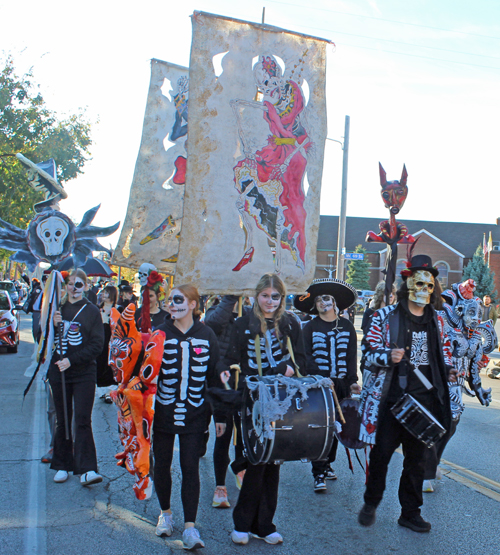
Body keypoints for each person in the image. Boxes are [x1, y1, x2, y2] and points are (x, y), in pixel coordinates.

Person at [358, 254, 454, 533]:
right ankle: (371, 502)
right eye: (418, 283)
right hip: (392, 401)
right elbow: (368, 353)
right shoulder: (384, 317)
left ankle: (410, 513)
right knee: (380, 458)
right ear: (407, 284)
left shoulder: (438, 321)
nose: (423, 290)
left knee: (417, 461)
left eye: (429, 285)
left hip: (425, 403)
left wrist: (449, 370)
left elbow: (446, 353)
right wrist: (388, 355)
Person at [225, 273, 306, 546]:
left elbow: (302, 359)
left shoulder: (291, 323)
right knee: (257, 461)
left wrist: (294, 370)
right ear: (256, 296)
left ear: (282, 298)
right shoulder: (241, 324)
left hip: (281, 400)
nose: (270, 301)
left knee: (273, 462)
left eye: (275, 296)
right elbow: (231, 360)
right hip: (252, 401)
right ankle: (244, 523)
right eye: (265, 295)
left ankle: (264, 524)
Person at [153, 284, 226, 550]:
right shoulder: (159, 333)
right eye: (170, 300)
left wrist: (219, 414)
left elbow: (214, 376)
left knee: (190, 467)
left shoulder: (207, 334)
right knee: (161, 464)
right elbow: (147, 375)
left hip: (195, 413)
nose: (172, 304)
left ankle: (190, 528)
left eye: (178, 299)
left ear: (193, 304)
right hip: (162, 411)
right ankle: (166, 513)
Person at [294, 278, 360, 492]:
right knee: (321, 426)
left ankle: (328, 463)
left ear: (335, 303)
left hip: (340, 384)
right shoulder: (309, 327)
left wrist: (352, 382)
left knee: (337, 426)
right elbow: (303, 357)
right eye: (320, 299)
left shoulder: (347, 326)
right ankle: (319, 471)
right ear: (315, 305)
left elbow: (351, 356)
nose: (324, 302)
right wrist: (319, 376)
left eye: (328, 298)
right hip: (319, 385)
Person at [49, 269, 105, 486]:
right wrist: (52, 326)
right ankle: (62, 464)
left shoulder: (92, 312)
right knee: (62, 420)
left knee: (82, 419)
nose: (74, 288)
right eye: (70, 284)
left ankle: (87, 469)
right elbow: (42, 339)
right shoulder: (58, 309)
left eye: (78, 284)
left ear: (87, 286)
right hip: (59, 372)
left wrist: (72, 360)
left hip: (83, 373)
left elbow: (97, 345)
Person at [204, 295, 246, 508]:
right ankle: (220, 486)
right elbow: (215, 322)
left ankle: (240, 468)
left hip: (242, 382)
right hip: (221, 381)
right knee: (223, 434)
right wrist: (230, 297)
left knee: (243, 433)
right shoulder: (213, 312)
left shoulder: (246, 314)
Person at [96, 285, 118, 403]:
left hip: (113, 342)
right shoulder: (97, 309)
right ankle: (101, 391)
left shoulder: (118, 309)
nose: (104, 294)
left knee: (111, 366)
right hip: (100, 341)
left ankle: (110, 392)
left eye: (107, 292)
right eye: (104, 292)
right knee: (100, 364)